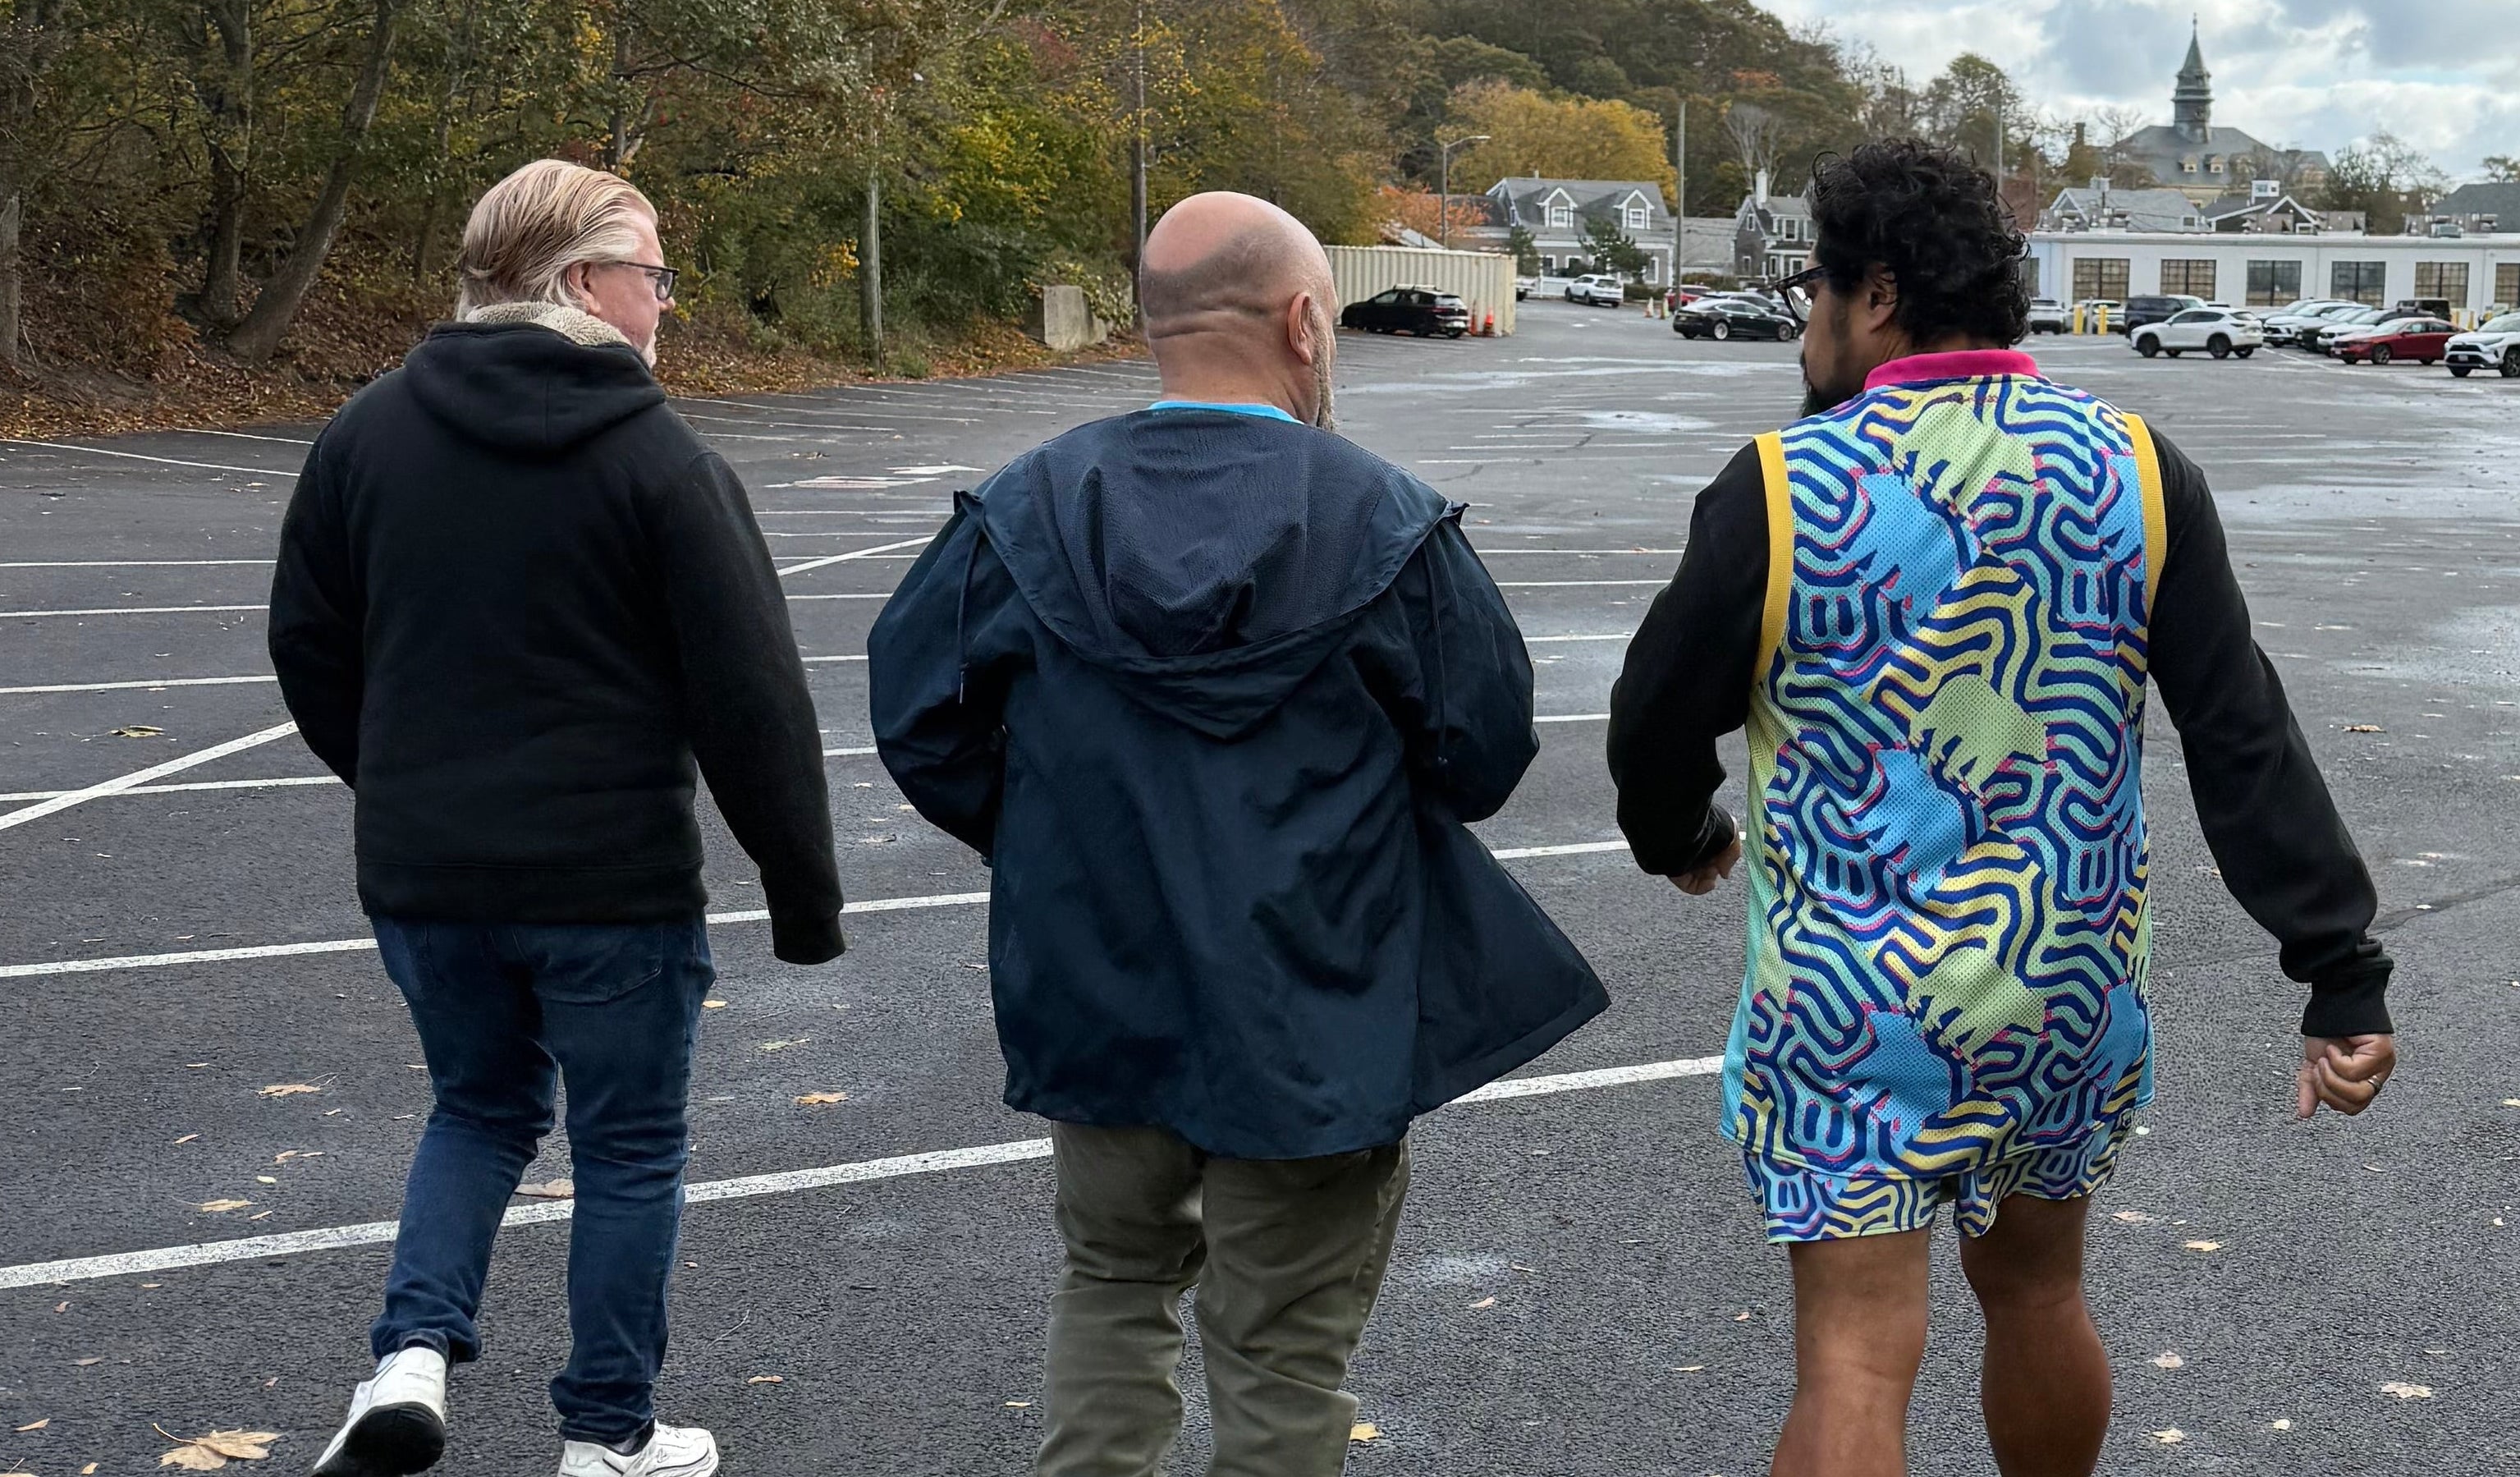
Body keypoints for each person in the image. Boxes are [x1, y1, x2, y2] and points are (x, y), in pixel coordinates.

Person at [1606, 140, 2397, 1477]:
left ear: (1879, 297)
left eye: (1816, 294)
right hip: (2060, 993)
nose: (1803, 324)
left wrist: (1684, 837)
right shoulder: (2138, 473)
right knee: (2038, 1296)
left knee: (1857, 1354)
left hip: (1853, 1004)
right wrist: (2341, 974)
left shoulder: (1784, 488)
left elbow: (1652, 720)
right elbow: (2242, 736)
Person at [867, 190, 1606, 1477]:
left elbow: (919, 718)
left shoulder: (1025, 509)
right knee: (1280, 1355)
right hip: (1315, 1007)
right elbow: (1483, 755)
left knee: (1110, 1283)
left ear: (1151, 324)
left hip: (1096, 981)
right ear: (1307, 321)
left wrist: (1046, 839)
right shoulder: (1385, 520)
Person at [270, 158, 845, 1477]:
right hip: (611, 883)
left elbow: (308, 642)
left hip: (427, 875)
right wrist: (802, 896)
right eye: (654, 276)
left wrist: (398, 783)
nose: (664, 304)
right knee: (629, 1149)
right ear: (583, 282)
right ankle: (610, 1435)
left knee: (475, 1111)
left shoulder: (367, 431)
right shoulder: (658, 457)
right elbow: (752, 697)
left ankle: (407, 1363)